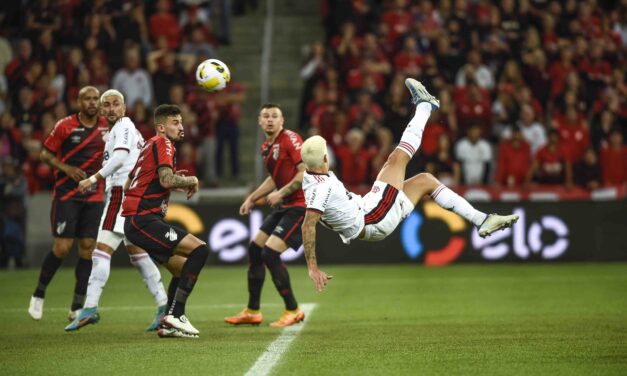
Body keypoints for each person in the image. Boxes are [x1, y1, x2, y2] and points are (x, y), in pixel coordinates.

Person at [300, 79, 519, 291]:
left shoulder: (309, 175)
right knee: (397, 158)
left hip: (369, 211)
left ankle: (482, 220)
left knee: (425, 181)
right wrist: (312, 268)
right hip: (372, 217)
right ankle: (425, 105)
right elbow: (308, 224)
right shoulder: (321, 188)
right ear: (325, 159)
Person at [65, 90, 168, 332]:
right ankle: (164, 306)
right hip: (131, 196)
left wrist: (92, 180)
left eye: (116, 104)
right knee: (138, 254)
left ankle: (89, 308)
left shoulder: (123, 126)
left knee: (100, 252)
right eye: (106, 105)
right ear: (101, 111)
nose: (111, 109)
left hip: (122, 196)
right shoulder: (121, 130)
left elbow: (121, 157)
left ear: (124, 108)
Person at [122, 104, 208, 338]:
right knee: (200, 250)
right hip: (144, 220)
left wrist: (171, 184)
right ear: (161, 127)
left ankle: (168, 325)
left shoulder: (149, 145)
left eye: (181, 122)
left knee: (181, 269)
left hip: (137, 221)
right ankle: (176, 314)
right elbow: (166, 180)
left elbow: (130, 184)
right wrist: (191, 179)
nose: (181, 127)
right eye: (175, 123)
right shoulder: (163, 143)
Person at [28, 86, 108, 321]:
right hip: (66, 195)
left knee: (87, 248)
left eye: (96, 99)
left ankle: (76, 306)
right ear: (78, 102)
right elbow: (45, 154)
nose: (93, 103)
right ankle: (39, 294)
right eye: (88, 99)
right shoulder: (65, 125)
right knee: (62, 248)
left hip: (93, 196)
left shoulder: (107, 126)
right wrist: (66, 168)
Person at [224, 104, 306, 327]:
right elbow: (274, 178)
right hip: (284, 206)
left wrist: (281, 192)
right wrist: (252, 197)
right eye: (266, 116)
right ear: (259, 121)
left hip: (300, 206)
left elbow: (303, 171)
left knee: (270, 253)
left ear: (282, 120)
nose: (270, 120)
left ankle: (293, 309)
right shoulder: (266, 146)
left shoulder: (289, 138)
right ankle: (253, 310)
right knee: (255, 249)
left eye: (274, 116)